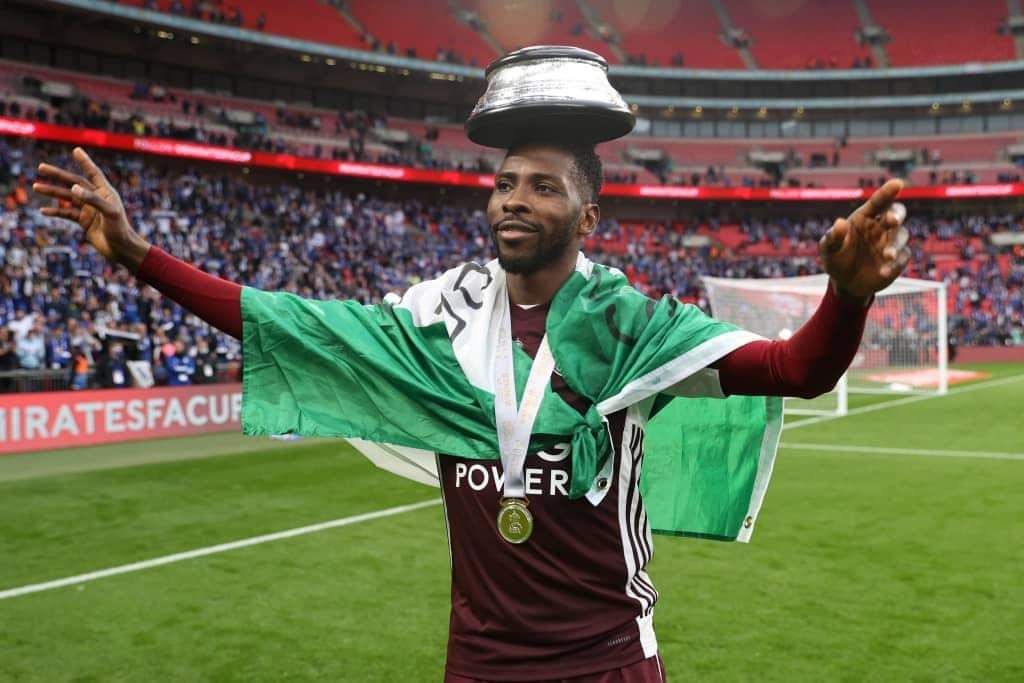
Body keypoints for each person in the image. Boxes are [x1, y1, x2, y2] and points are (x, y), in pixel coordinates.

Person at [34, 146, 910, 682]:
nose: (512, 199)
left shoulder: (634, 327)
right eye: (502, 184)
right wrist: (139, 254)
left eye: (541, 186)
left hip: (607, 657)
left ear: (589, 214)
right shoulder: (436, 326)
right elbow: (287, 321)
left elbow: (797, 368)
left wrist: (846, 296)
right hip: (482, 663)